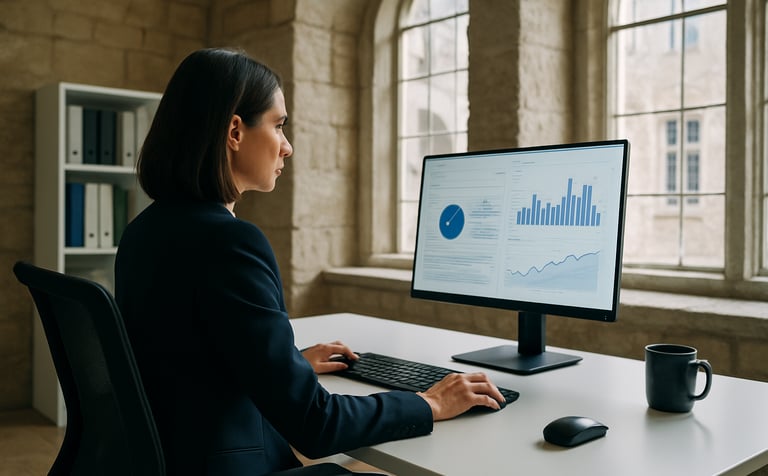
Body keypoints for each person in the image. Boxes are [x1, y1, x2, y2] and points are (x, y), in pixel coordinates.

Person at [115, 47, 504, 476]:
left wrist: (288, 363)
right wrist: (429, 402)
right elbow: (315, 425)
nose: (288, 147)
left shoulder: (144, 231)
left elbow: (188, 354)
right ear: (234, 131)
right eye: (279, 126)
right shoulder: (229, 243)